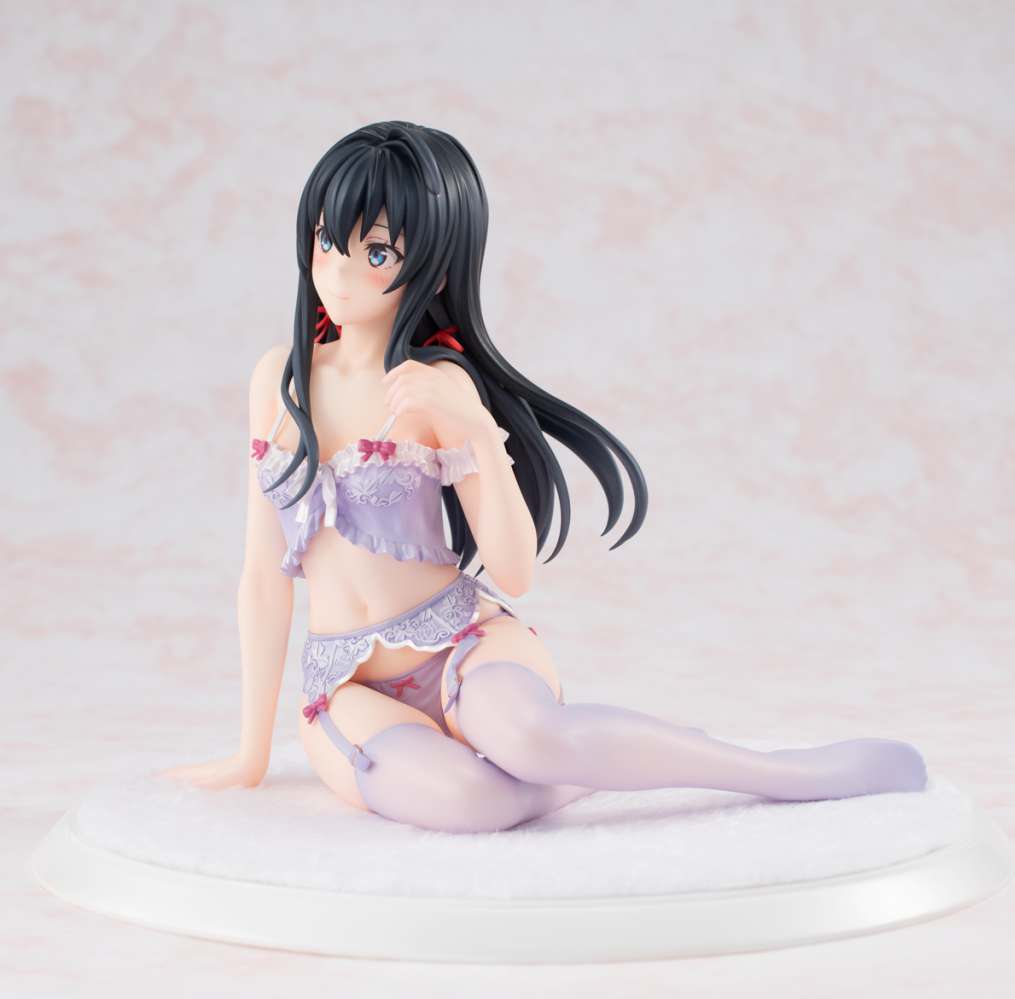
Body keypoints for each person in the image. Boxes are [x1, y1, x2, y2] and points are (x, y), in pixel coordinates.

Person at [159, 121, 927, 833]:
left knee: (530, 739)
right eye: (328, 240)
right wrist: (250, 753)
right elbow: (263, 578)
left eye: (378, 253)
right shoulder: (279, 381)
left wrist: (474, 430)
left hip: (463, 642)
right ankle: (617, 760)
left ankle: (768, 772)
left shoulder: (434, 386)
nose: (339, 271)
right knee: (471, 802)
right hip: (347, 687)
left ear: (433, 266)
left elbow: (516, 571)